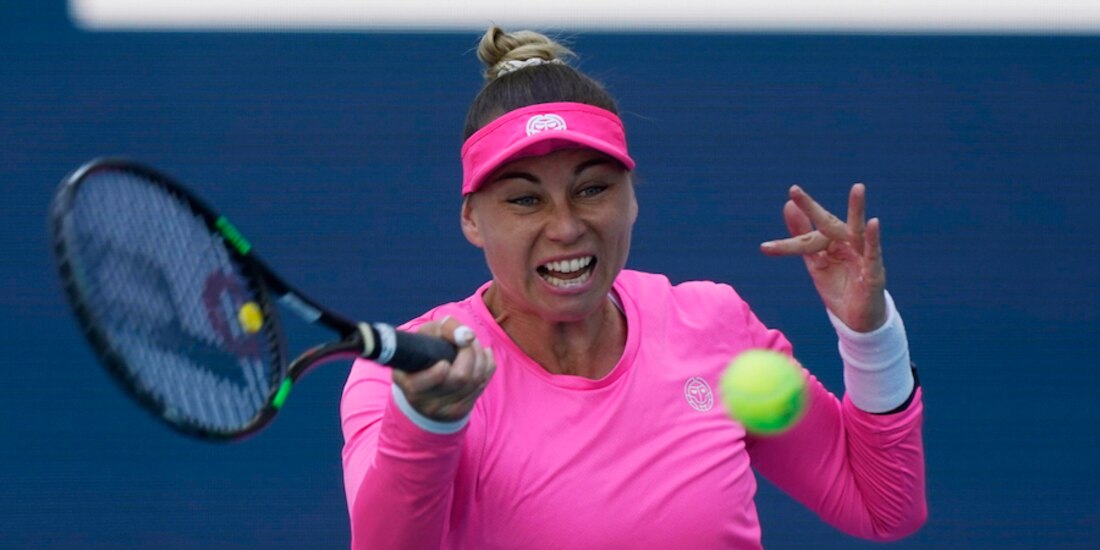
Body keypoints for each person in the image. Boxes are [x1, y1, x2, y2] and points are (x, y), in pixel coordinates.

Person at [340, 26, 926, 549]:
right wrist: (428, 421)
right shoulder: (409, 377)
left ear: (633, 197)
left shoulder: (714, 324)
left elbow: (883, 509)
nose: (566, 226)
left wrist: (869, 334)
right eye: (525, 200)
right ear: (472, 219)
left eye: (592, 188)